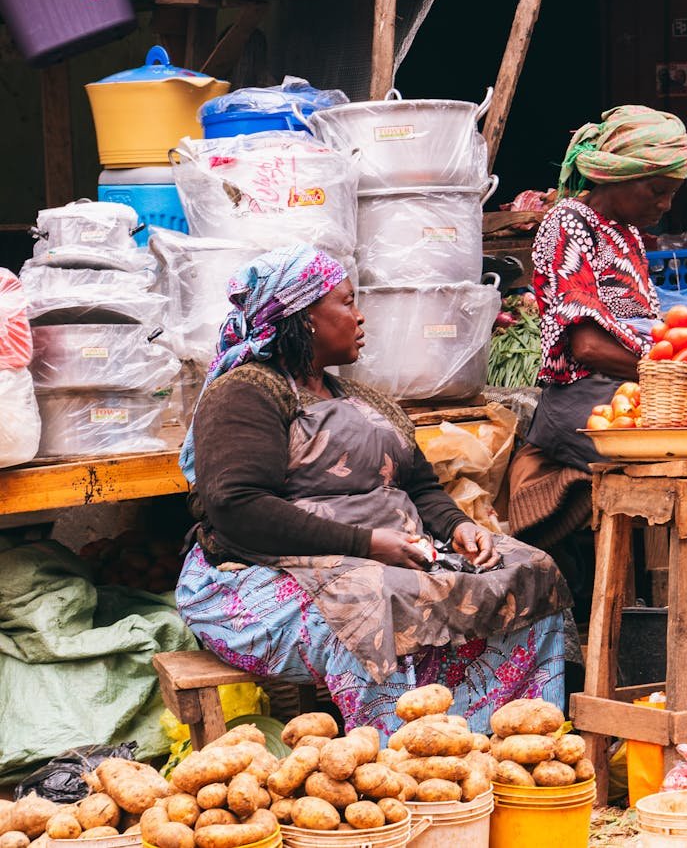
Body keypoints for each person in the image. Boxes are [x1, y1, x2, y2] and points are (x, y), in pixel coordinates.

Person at [175, 245, 573, 739]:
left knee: (527, 570)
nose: (359, 316)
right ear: (304, 319)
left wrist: (458, 525)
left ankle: (511, 747)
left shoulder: (365, 399)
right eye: (345, 302)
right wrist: (368, 544)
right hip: (255, 574)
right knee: (375, 601)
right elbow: (238, 508)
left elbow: (420, 485)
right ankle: (397, 762)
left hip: (385, 554)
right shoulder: (246, 391)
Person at [505, 106, 687, 600]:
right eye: (656, 190)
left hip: (630, 394)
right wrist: (671, 372)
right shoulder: (568, 223)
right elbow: (586, 345)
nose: (666, 204)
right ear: (616, 177)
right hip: (582, 401)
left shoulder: (627, 234)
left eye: (671, 191)